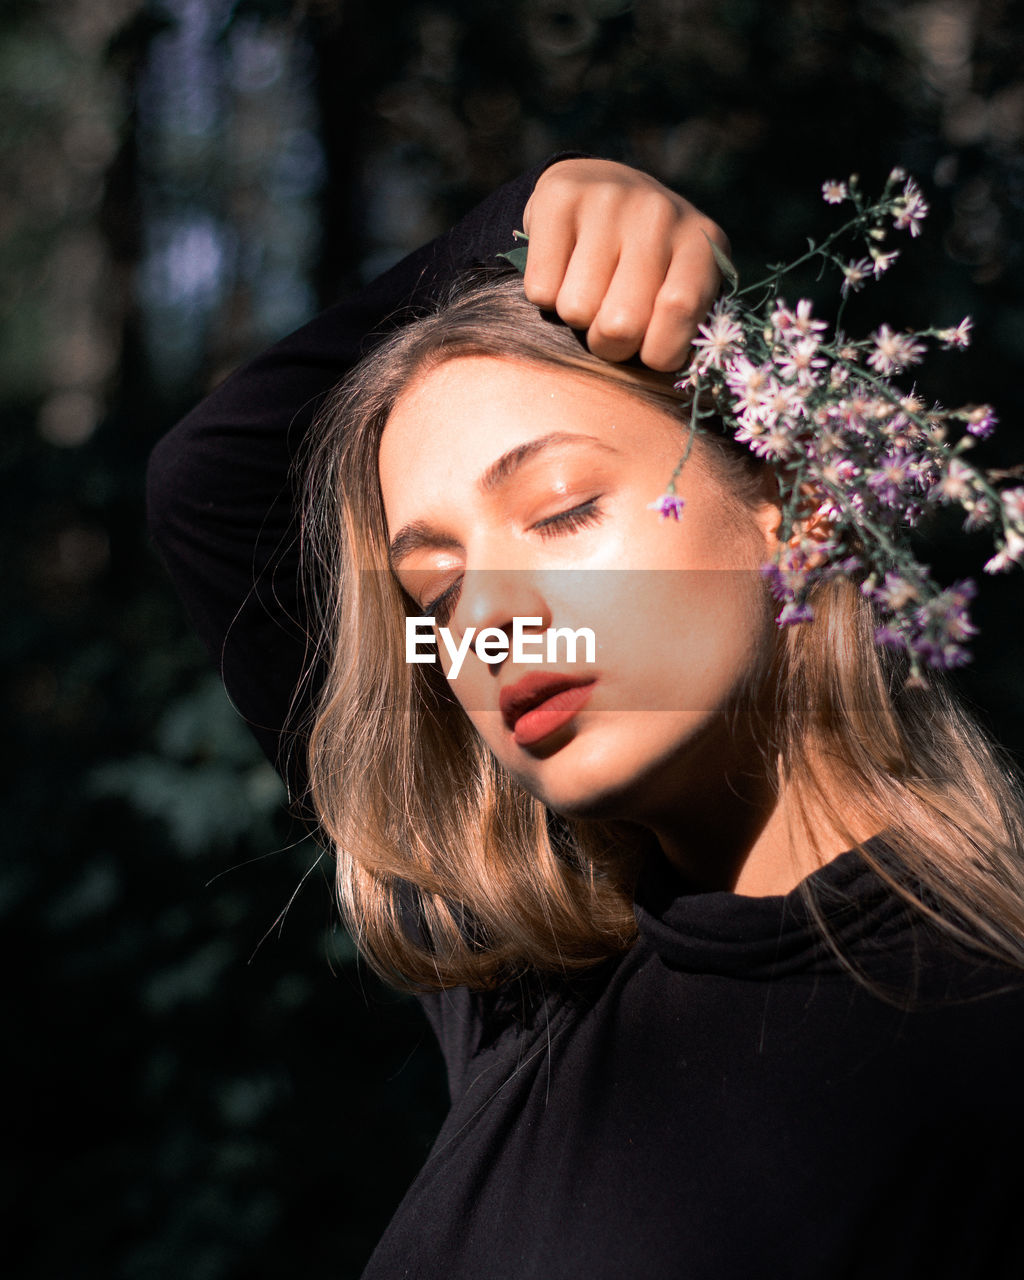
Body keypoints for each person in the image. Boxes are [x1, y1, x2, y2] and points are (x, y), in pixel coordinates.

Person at [148, 158, 1024, 1278]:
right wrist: (526, 207)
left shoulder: (981, 1033)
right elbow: (208, 486)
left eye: (560, 511)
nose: (494, 623)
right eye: (436, 590)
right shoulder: (539, 976)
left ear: (797, 513)